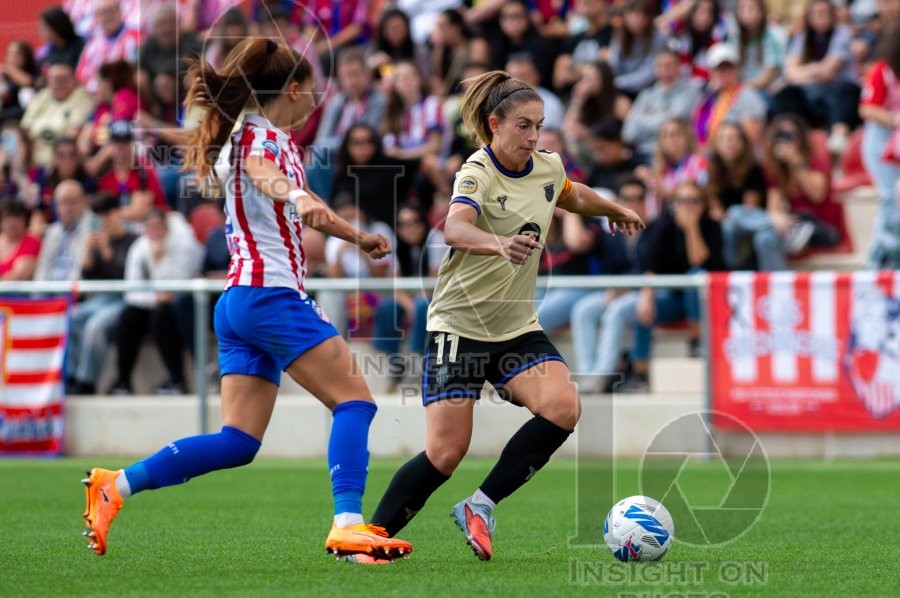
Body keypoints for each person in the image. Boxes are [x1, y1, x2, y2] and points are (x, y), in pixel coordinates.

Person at [80, 38, 413, 562]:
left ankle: (113, 486)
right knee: (355, 403)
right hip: (270, 296)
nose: (314, 105)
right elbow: (266, 175)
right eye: (312, 94)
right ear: (294, 88)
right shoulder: (262, 138)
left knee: (238, 442)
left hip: (238, 301)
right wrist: (299, 196)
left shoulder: (248, 135)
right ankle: (349, 526)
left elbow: (284, 196)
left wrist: (353, 235)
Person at [364, 69, 644, 562]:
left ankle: (481, 505)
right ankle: (370, 538)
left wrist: (613, 209)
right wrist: (498, 244)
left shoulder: (546, 166)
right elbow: (454, 228)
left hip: (515, 328)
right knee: (446, 455)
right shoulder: (478, 170)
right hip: (458, 327)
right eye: (523, 125)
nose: (533, 136)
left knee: (563, 407)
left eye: (538, 125)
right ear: (495, 124)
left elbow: (572, 193)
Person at [107, 207, 203, 395]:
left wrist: (158, 261)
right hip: (152, 303)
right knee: (129, 316)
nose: (154, 231)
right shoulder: (139, 248)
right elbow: (132, 291)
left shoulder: (183, 244)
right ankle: (123, 382)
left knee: (162, 315)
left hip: (176, 307)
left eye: (158, 226)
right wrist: (154, 297)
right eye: (149, 226)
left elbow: (178, 285)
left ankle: (177, 379)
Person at [67, 191, 137, 395]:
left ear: (118, 213)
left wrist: (106, 250)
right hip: (100, 299)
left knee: (95, 327)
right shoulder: (97, 241)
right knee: (68, 318)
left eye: (109, 214)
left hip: (124, 300)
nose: (105, 220)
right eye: (100, 216)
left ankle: (86, 382)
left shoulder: (132, 240)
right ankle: (71, 376)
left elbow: (125, 276)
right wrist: (88, 253)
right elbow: (88, 278)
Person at [711, 122, 781, 270]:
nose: (729, 143)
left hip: (750, 223)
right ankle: (772, 222)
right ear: (716, 144)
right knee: (729, 223)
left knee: (735, 213)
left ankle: (770, 223)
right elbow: (716, 211)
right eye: (724, 139)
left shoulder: (754, 169)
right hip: (730, 226)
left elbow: (750, 209)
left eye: (734, 138)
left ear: (743, 143)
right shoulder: (712, 171)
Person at [859, 30, 900, 268]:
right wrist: (895, 120)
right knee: (889, 197)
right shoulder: (882, 71)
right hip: (881, 138)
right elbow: (867, 109)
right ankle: (876, 261)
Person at [623, 49, 703, 163]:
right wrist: (662, 115)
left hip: (672, 154)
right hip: (642, 152)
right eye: (659, 65)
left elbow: (673, 121)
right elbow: (628, 133)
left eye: (668, 65)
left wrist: (641, 119)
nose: (664, 69)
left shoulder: (690, 92)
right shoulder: (646, 94)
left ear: (679, 67)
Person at [20, 61, 94, 169]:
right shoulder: (42, 96)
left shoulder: (82, 98)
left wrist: (53, 161)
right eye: (54, 80)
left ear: (73, 80)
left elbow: (73, 133)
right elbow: (25, 128)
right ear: (48, 82)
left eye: (63, 80)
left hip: (61, 160)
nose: (59, 84)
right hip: (34, 156)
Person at [33, 179, 92, 282]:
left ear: (83, 202)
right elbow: (43, 268)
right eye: (63, 202)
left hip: (76, 294)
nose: (68, 207)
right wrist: (38, 295)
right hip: (49, 292)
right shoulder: (52, 232)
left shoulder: (93, 230)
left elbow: (81, 272)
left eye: (72, 202)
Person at [0, 200, 40, 280]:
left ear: (25, 220)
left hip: (17, 291)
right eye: (8, 217)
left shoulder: (32, 242)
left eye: (17, 217)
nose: (12, 223)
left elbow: (19, 276)